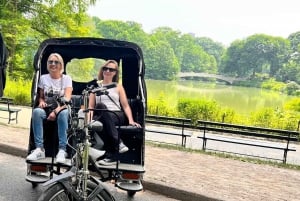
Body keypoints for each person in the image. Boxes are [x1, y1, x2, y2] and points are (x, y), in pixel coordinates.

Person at [89, 60, 141, 165]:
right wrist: (89, 121)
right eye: (105, 68)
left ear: (115, 73)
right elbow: (90, 107)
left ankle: (115, 146)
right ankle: (113, 153)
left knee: (101, 108)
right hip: (101, 115)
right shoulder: (95, 87)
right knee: (100, 109)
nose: (107, 71)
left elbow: (125, 106)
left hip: (117, 114)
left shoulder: (118, 86)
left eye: (111, 69)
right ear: (102, 70)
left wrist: (131, 120)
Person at [26, 53, 73, 163]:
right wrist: (41, 102)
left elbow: (67, 99)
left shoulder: (66, 79)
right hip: (47, 108)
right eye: (50, 62)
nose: (53, 64)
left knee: (63, 114)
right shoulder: (43, 78)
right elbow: (41, 97)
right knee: (37, 111)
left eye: (56, 62)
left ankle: (62, 150)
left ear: (61, 65)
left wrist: (55, 112)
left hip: (61, 108)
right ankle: (39, 149)